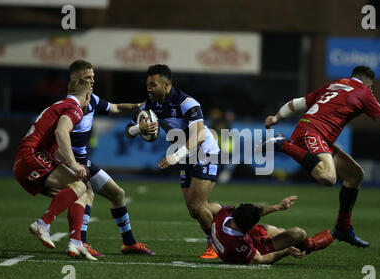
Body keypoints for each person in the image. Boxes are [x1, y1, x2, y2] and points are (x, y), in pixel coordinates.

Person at [262, 65, 380, 248]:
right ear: (370, 84)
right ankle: (282, 144)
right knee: (328, 177)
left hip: (315, 133)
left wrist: (275, 118)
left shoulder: (334, 85)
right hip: (311, 133)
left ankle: (343, 228)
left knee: (355, 175)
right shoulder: (365, 93)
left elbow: (297, 103)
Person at [126, 64, 222, 259]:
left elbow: (200, 135)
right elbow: (128, 130)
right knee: (193, 210)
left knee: (197, 205)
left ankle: (215, 244)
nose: (149, 89)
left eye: (153, 85)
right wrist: (139, 128)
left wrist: (175, 156)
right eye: (147, 85)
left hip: (204, 152)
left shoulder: (187, 103)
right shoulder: (149, 105)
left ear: (167, 85)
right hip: (185, 154)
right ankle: (228, 214)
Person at [68, 60, 155, 256]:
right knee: (86, 193)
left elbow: (114, 108)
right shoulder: (70, 105)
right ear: (75, 79)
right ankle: (80, 243)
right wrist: (71, 163)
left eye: (93, 77)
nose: (92, 81)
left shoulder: (91, 99)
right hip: (70, 163)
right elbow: (59, 134)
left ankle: (129, 243)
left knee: (117, 194)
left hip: (83, 162)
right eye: (87, 78)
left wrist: (139, 105)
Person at [13, 78, 97, 261]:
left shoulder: (60, 104)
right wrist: (74, 164)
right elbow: (61, 132)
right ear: (88, 95)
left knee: (80, 193)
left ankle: (76, 242)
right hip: (32, 156)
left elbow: (56, 143)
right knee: (80, 185)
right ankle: (43, 223)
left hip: (25, 161)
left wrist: (68, 165)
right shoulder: (74, 109)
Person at [210, 195, 334, 264]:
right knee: (298, 234)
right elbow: (260, 259)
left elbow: (255, 213)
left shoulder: (226, 214)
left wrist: (278, 207)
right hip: (240, 249)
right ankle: (311, 245)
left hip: (235, 234)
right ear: (248, 228)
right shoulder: (238, 245)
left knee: (278, 230)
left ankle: (302, 244)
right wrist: (286, 252)